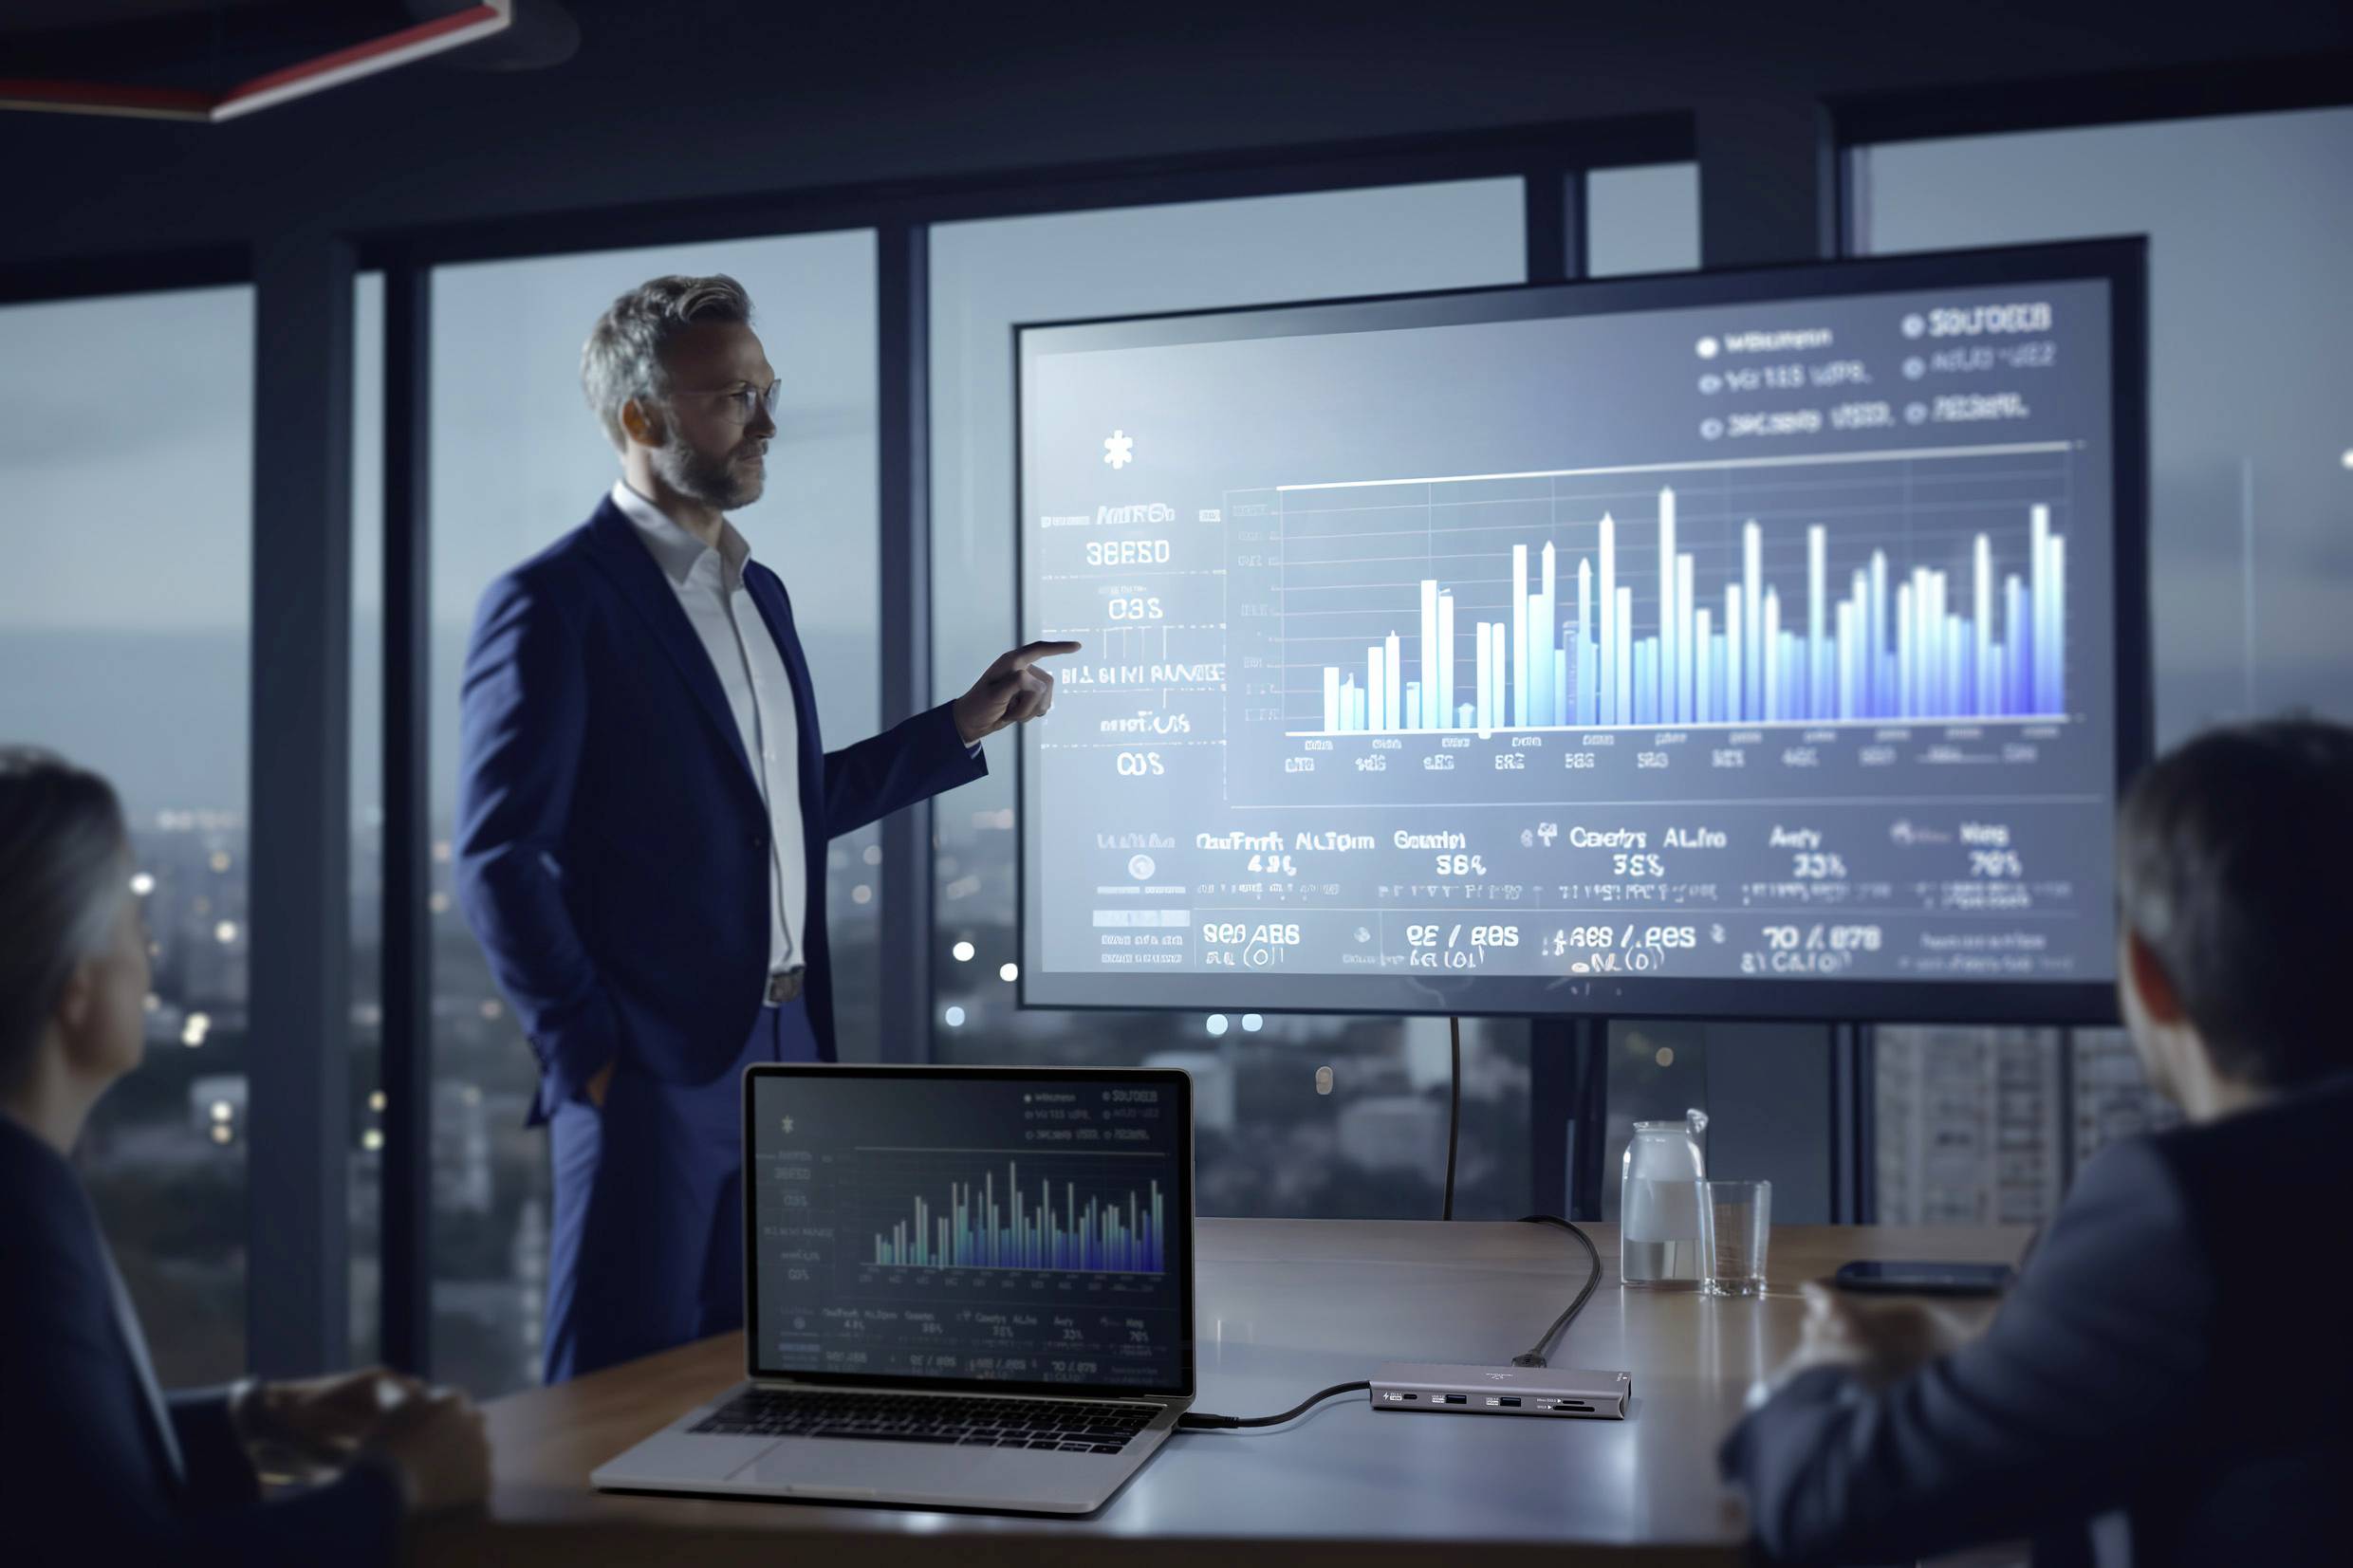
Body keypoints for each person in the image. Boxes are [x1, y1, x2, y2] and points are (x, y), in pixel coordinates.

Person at [455, 272, 1074, 1383]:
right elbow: (501, 856)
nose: (767, 423)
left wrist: (963, 724)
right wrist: (589, 1052)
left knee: (759, 1372)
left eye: (765, 390)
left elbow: (788, 812)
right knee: (613, 1388)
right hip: (653, 1066)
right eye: (733, 396)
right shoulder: (557, 601)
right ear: (641, 418)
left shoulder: (760, 594)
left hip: (790, 1048)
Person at [1720, 717, 2353, 1567]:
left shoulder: (2185, 1209)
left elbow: (1826, 1503)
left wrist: (1813, 1377)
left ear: (2149, 977)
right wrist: (1984, 1349)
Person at [0, 748, 491, 1566]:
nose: (150, 952)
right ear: (74, 986)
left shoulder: (26, 1190)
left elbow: (57, 1482)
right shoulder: (20, 1228)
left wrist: (254, 1421)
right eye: (131, 919)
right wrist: (393, 1487)